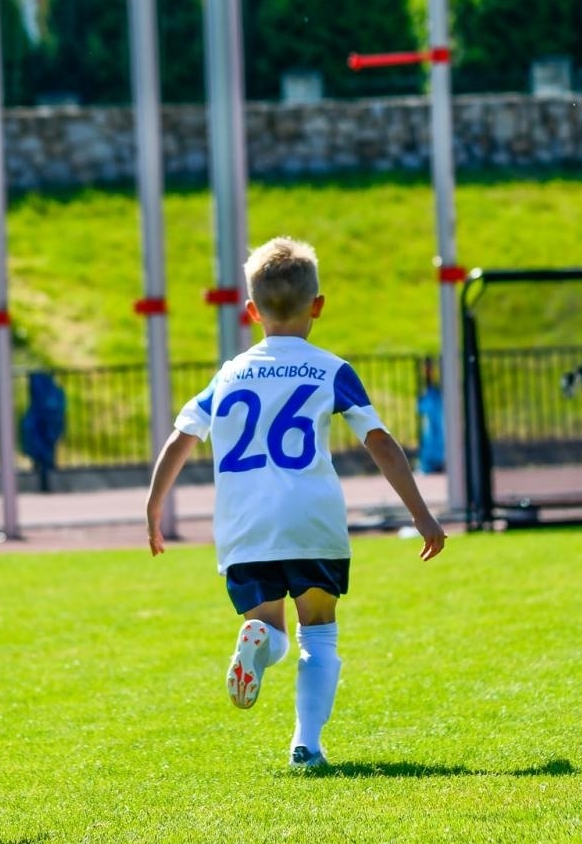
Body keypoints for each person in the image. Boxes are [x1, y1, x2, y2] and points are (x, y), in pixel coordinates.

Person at [144, 237, 446, 770]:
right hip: (311, 519)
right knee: (320, 632)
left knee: (272, 627)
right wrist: (421, 514)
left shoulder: (230, 373)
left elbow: (181, 438)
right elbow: (378, 440)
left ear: (252, 311)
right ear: (318, 306)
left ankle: (259, 639)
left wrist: (153, 507)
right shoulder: (330, 369)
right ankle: (306, 744)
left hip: (245, 525)